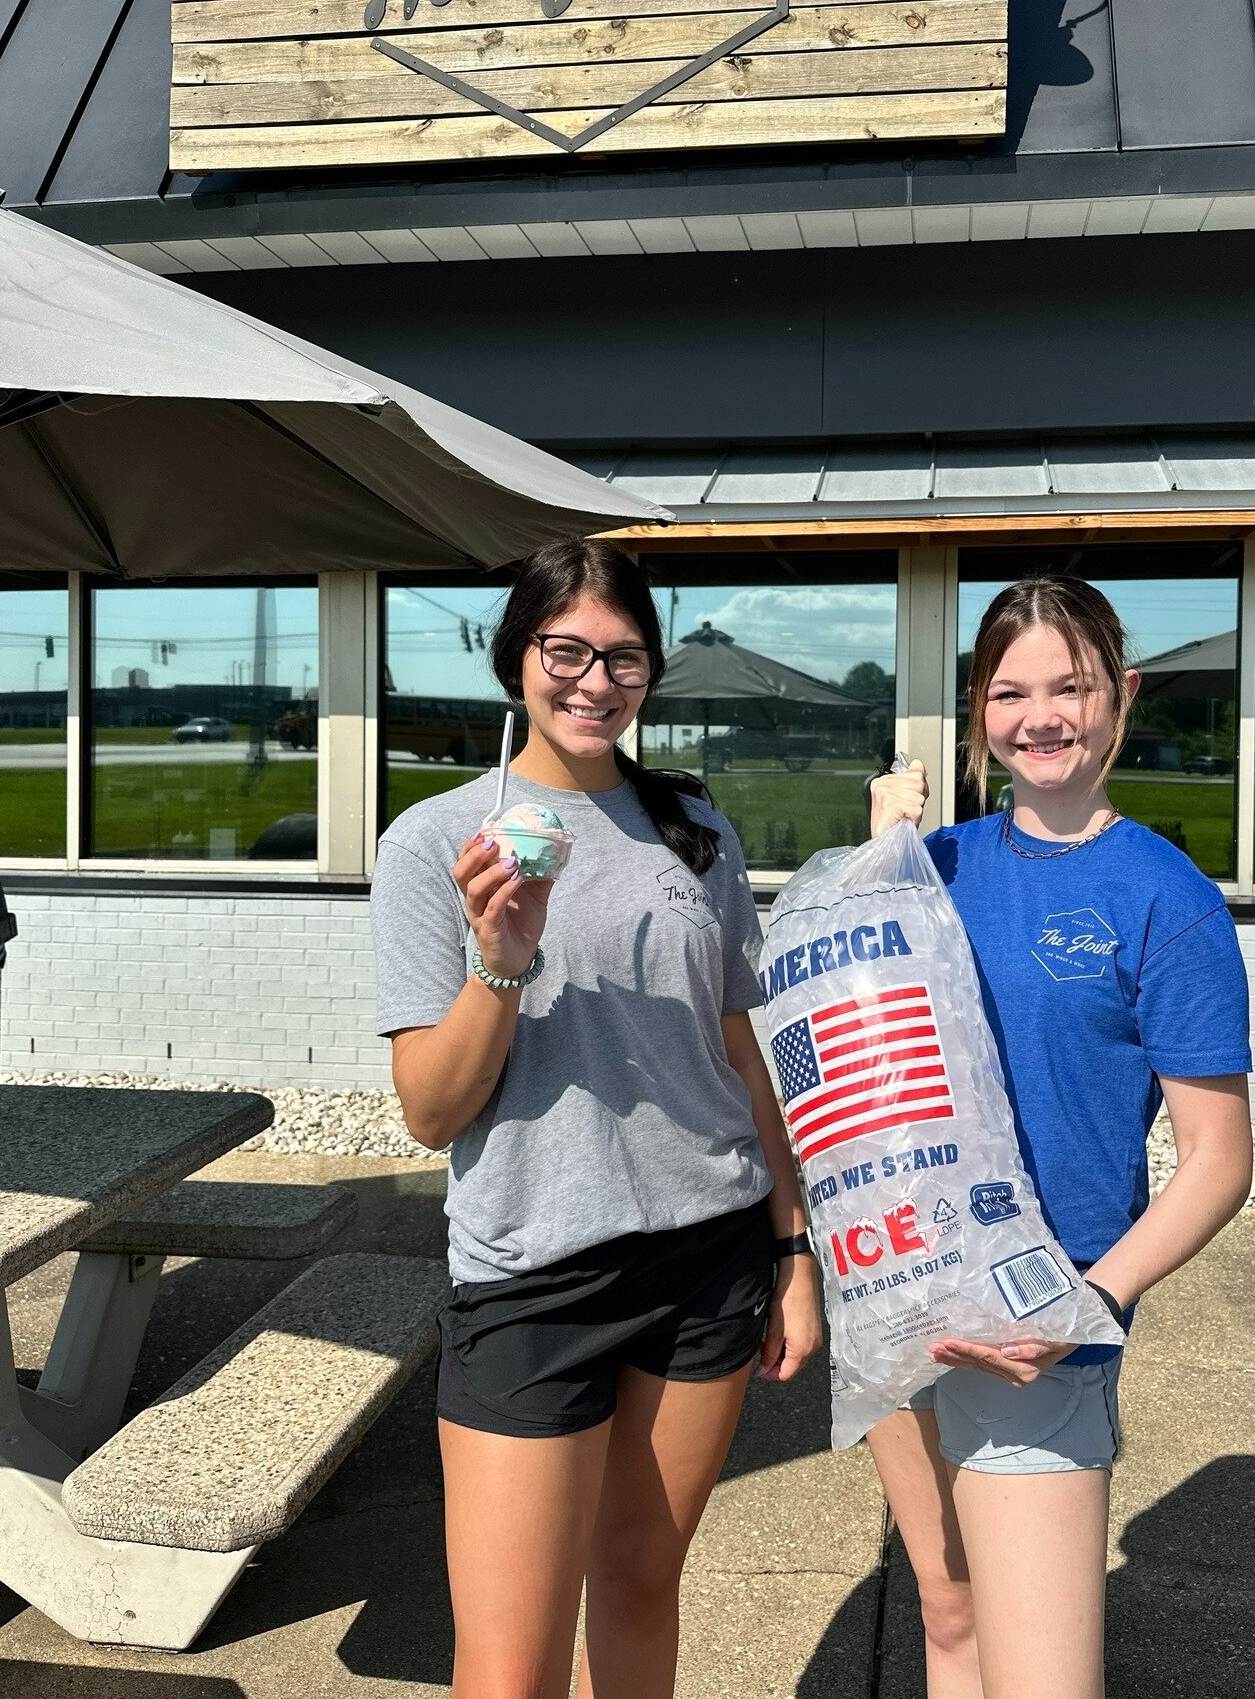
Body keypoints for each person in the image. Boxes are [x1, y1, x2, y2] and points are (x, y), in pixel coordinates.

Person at [371, 539, 822, 1699]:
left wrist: (791, 1244)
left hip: (707, 1256)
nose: (593, 680)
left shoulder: (693, 831)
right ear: (517, 656)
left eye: (623, 658)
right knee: (510, 1667)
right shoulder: (437, 842)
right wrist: (503, 962)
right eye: (564, 649)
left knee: (638, 1586)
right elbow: (431, 1112)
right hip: (533, 1273)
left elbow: (740, 1048)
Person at [866, 574, 1255, 1699]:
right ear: (979, 708)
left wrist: (1088, 1304)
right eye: (1011, 690)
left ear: (1120, 695)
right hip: (908, 1290)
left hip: (1043, 1318)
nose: (1042, 715)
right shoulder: (936, 865)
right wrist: (878, 860)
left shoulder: (1165, 898)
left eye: (1071, 685)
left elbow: (1218, 1161)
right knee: (947, 1622)